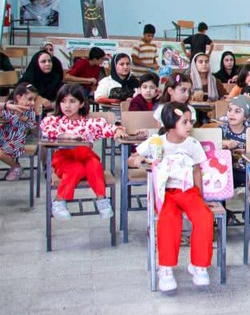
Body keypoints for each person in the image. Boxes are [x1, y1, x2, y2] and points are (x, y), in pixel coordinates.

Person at [134, 102, 214, 291]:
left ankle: (198, 265)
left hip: (188, 191)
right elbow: (134, 157)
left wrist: (200, 198)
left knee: (204, 217)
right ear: (171, 123)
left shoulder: (192, 144)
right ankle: (166, 268)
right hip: (165, 192)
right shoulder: (157, 141)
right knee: (169, 219)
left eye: (190, 122)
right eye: (185, 122)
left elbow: (197, 171)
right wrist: (139, 159)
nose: (190, 126)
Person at [40, 84, 130, 220]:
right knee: (76, 168)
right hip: (64, 160)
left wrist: (118, 130)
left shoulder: (89, 123)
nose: (67, 106)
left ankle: (101, 200)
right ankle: (59, 201)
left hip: (86, 159)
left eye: (72, 101)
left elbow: (109, 128)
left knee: (94, 163)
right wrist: (67, 136)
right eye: (63, 101)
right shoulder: (53, 121)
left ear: (81, 103)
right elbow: (48, 133)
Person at [0, 83, 38, 181]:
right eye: (30, 99)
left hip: (18, 138)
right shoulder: (10, 105)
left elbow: (33, 127)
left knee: (0, 153)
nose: (32, 103)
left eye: (34, 100)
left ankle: (16, 166)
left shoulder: (30, 111)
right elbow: (4, 117)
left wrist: (25, 120)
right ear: (18, 97)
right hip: (3, 134)